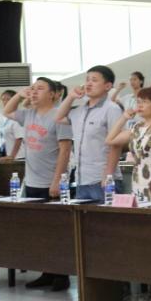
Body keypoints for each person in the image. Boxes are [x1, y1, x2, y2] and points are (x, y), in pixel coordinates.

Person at [106, 87, 151, 301]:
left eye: (144, 102)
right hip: (139, 182)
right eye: (138, 101)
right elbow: (111, 140)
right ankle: (149, 285)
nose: (139, 105)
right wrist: (124, 117)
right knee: (144, 237)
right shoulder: (136, 127)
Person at [3, 79, 73, 291]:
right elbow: (7, 111)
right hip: (32, 182)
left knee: (57, 231)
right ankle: (47, 272)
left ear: (53, 94)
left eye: (40, 89)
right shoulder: (28, 115)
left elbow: (65, 150)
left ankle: (62, 276)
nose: (34, 92)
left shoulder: (59, 116)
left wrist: (57, 181)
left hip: (51, 182)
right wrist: (20, 94)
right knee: (40, 231)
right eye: (32, 89)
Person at [55, 65, 124, 202]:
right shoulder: (79, 110)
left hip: (102, 179)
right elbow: (58, 118)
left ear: (108, 86)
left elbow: (116, 144)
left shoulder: (112, 109)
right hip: (81, 180)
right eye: (87, 80)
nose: (88, 83)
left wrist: (108, 175)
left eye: (94, 80)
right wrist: (71, 97)